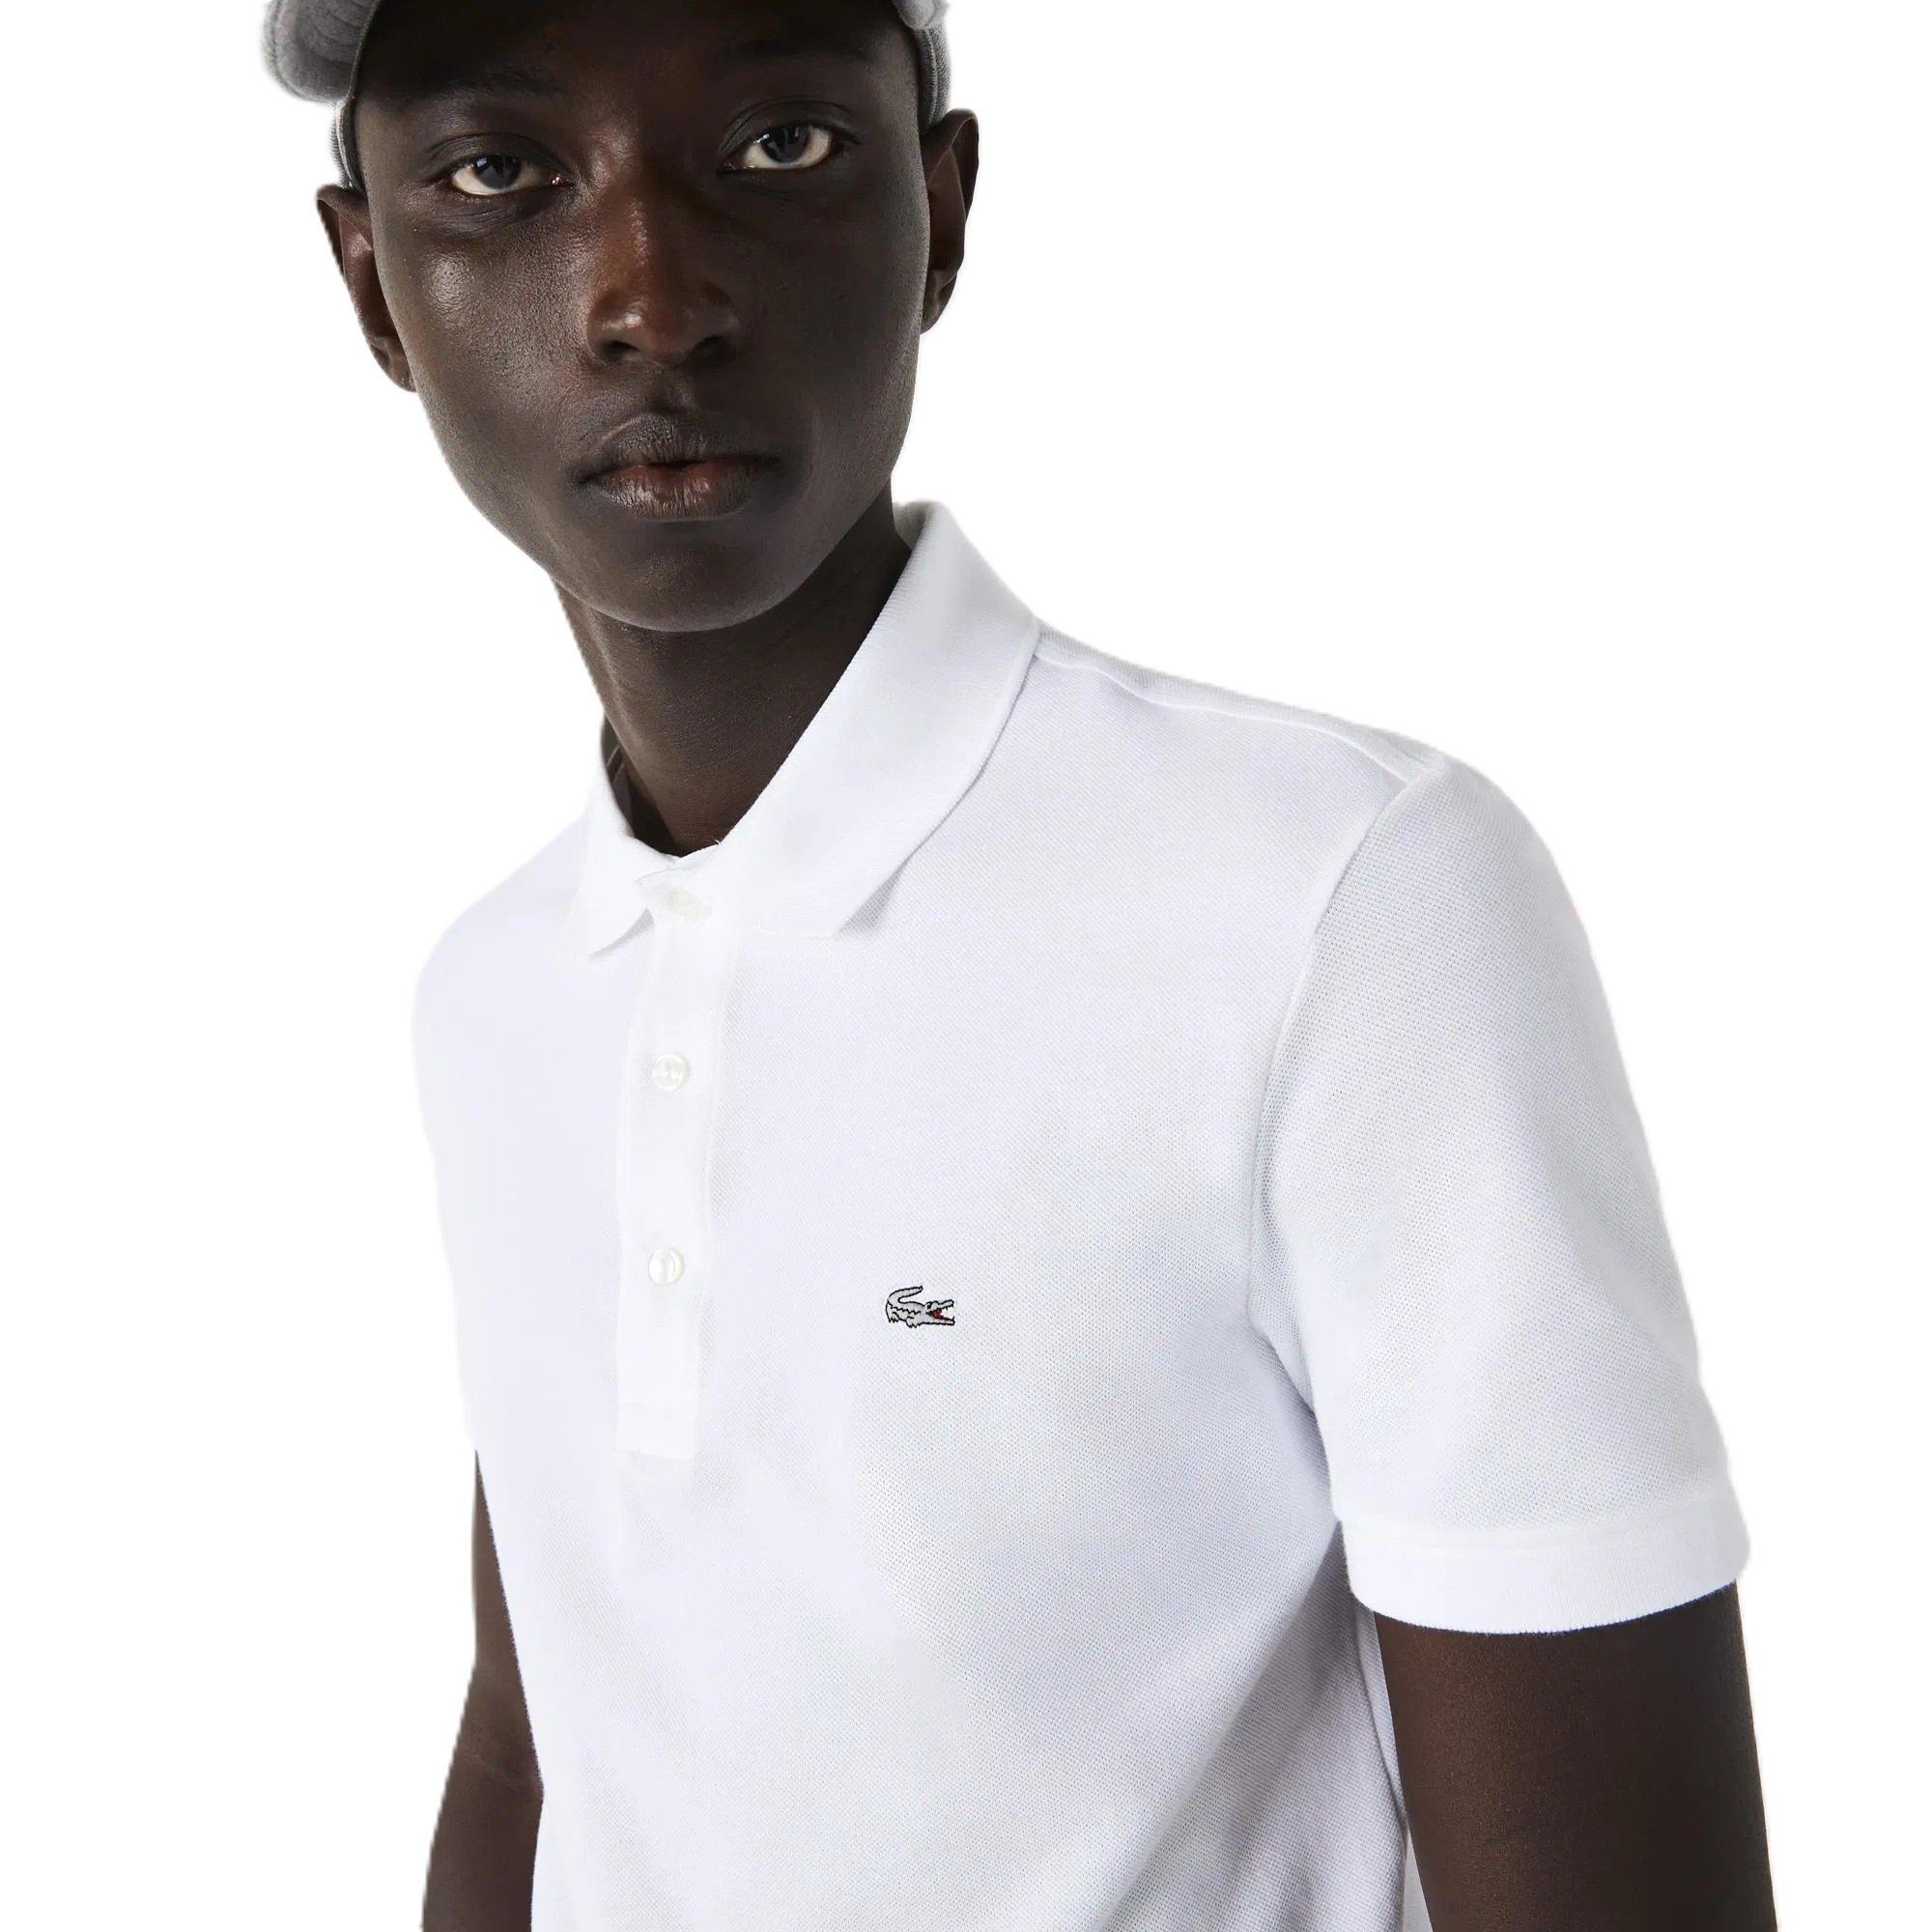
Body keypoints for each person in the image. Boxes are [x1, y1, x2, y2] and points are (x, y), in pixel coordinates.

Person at [259, 2, 1777, 1926]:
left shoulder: (1339, 899)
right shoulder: (498, 994)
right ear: (372, 283)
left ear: (943, 210)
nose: (653, 300)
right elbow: (537, 1744)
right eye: (501, 173)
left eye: (783, 144)